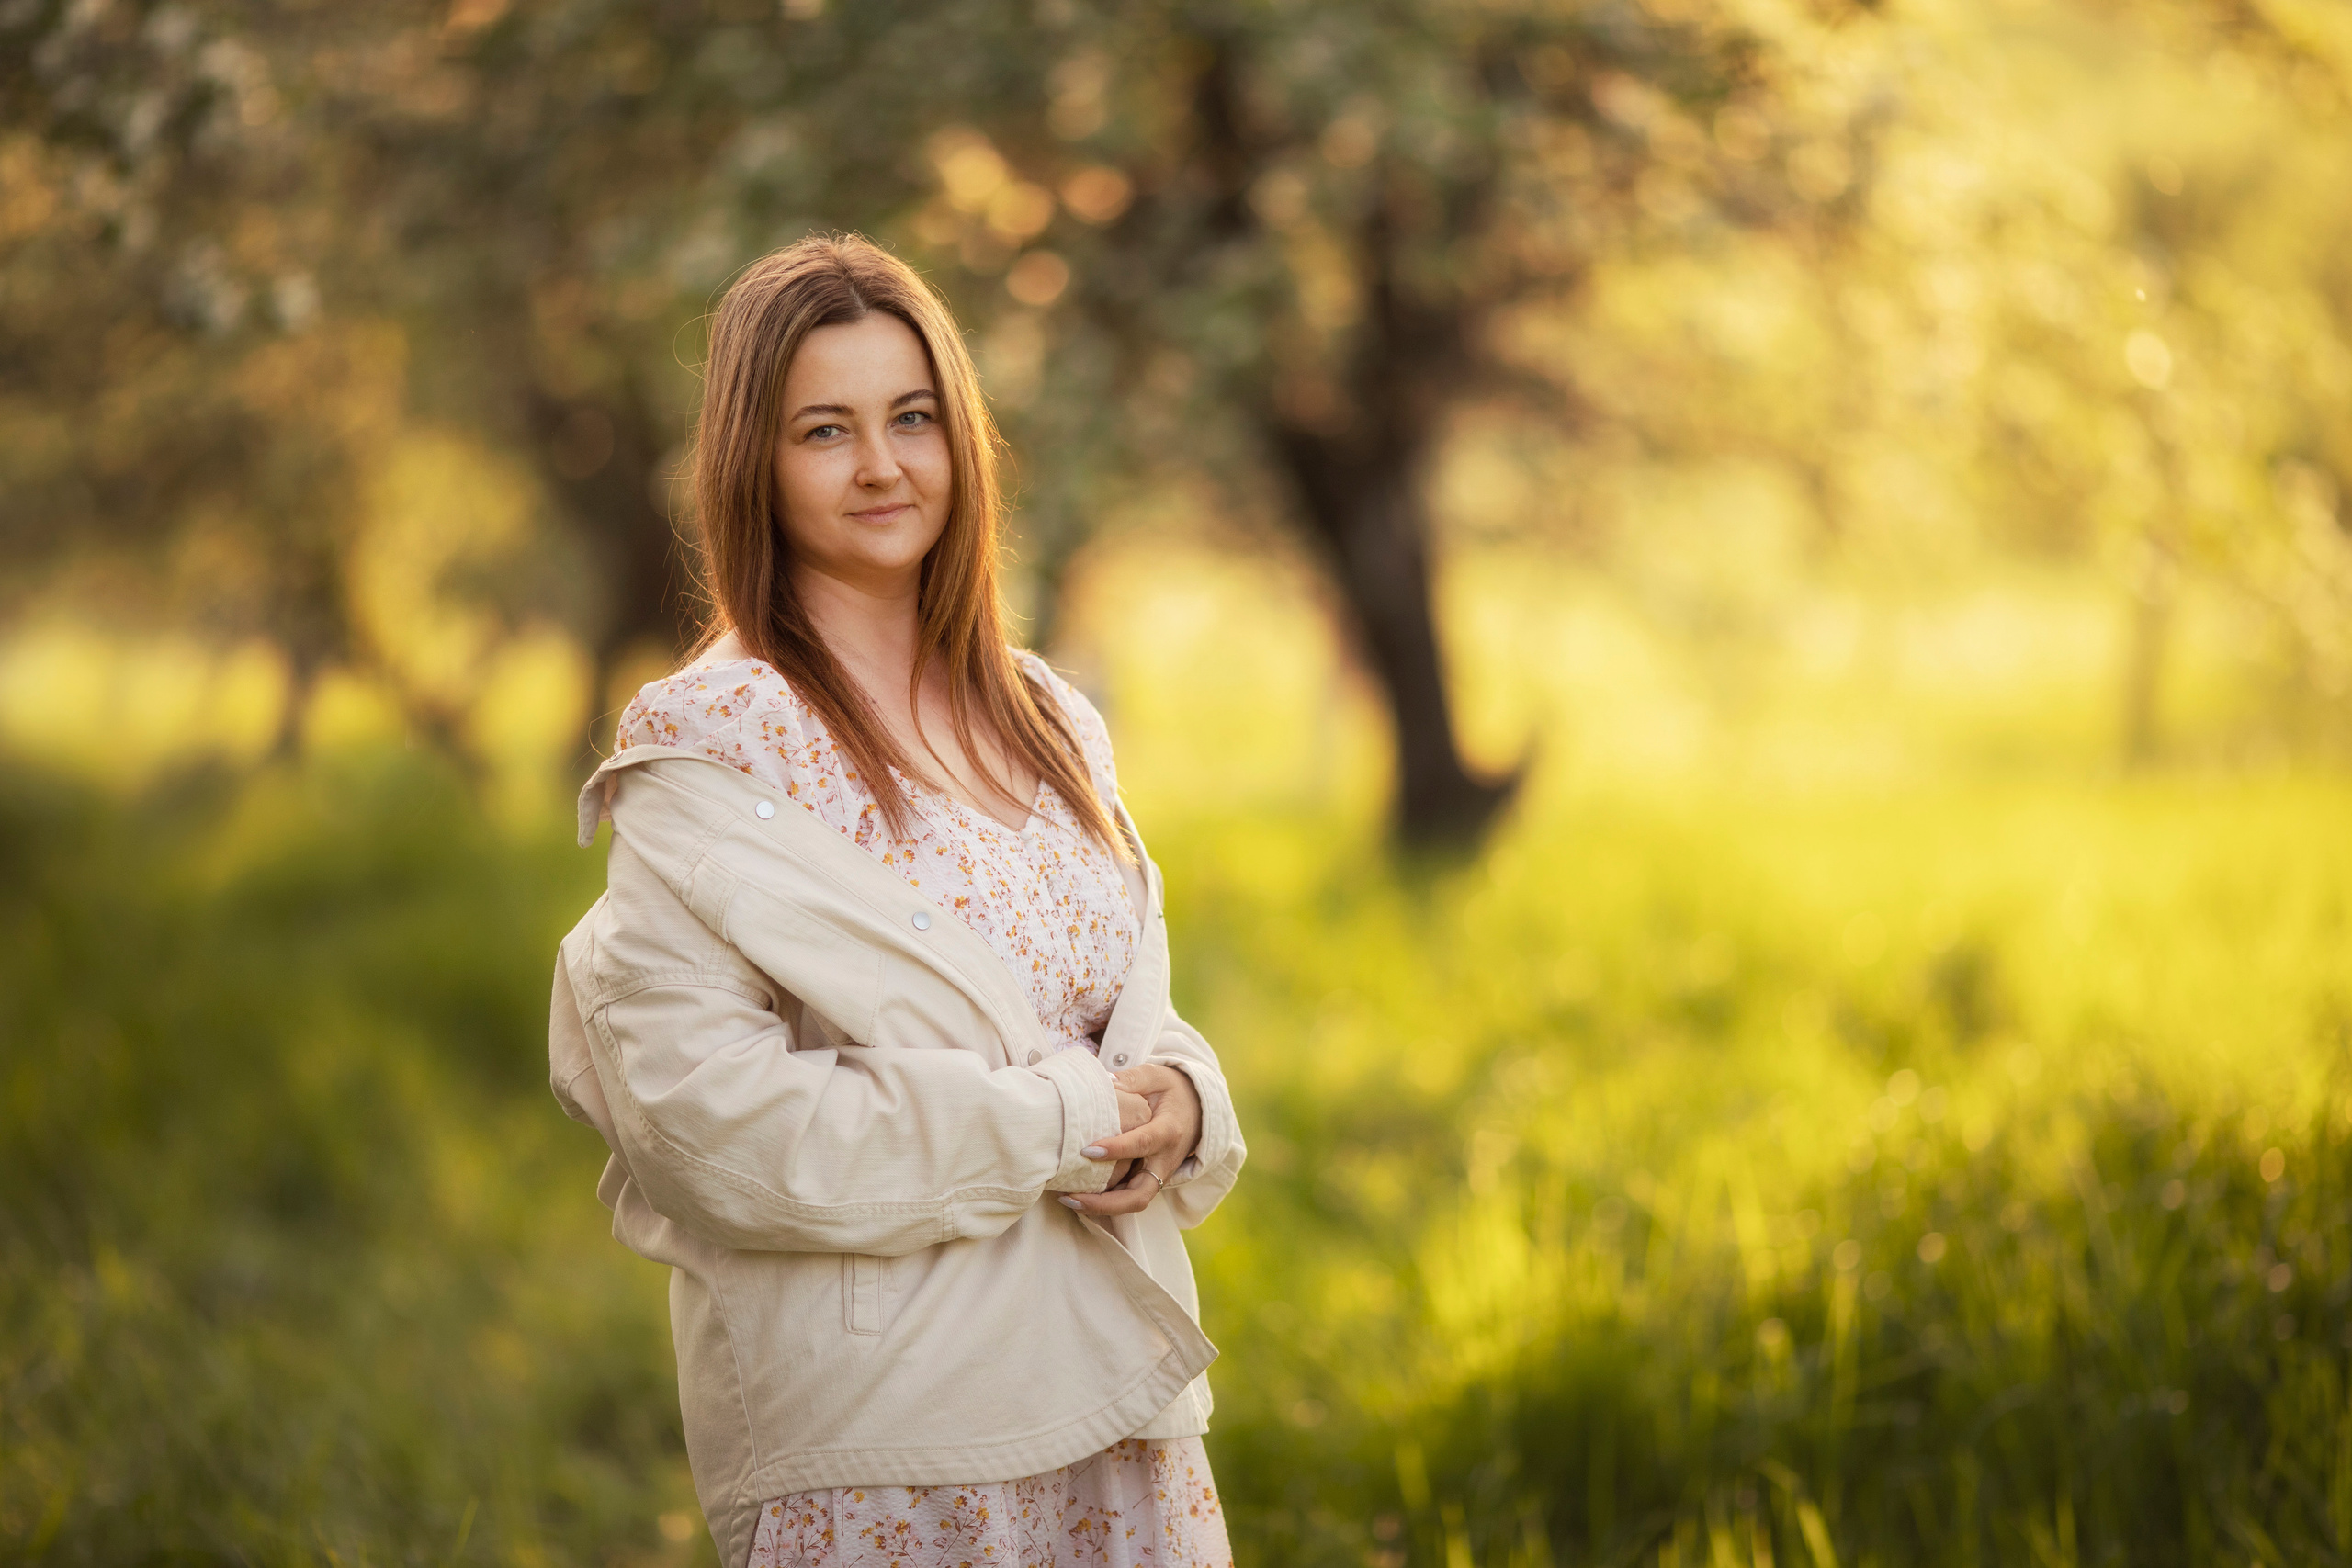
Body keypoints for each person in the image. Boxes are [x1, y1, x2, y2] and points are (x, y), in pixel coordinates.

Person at [547, 233, 1247, 1568]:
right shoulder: (716, 746)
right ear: (755, 459)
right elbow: (720, 1131)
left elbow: (1118, 1010)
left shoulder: (1044, 714)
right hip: (895, 1450)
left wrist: (1185, 1100)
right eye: (827, 429)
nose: (882, 465)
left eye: (912, 417)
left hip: (1119, 1410)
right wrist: (1066, 1119)